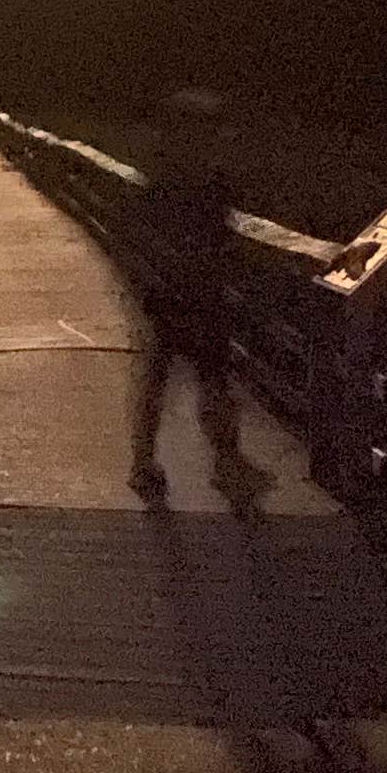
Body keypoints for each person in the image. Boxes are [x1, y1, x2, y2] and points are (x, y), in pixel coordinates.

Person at [130, 89, 267, 509]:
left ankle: (144, 462)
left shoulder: (160, 183)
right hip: (196, 292)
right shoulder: (207, 185)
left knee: (162, 377)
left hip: (170, 289)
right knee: (212, 379)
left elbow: (141, 233)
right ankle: (225, 462)